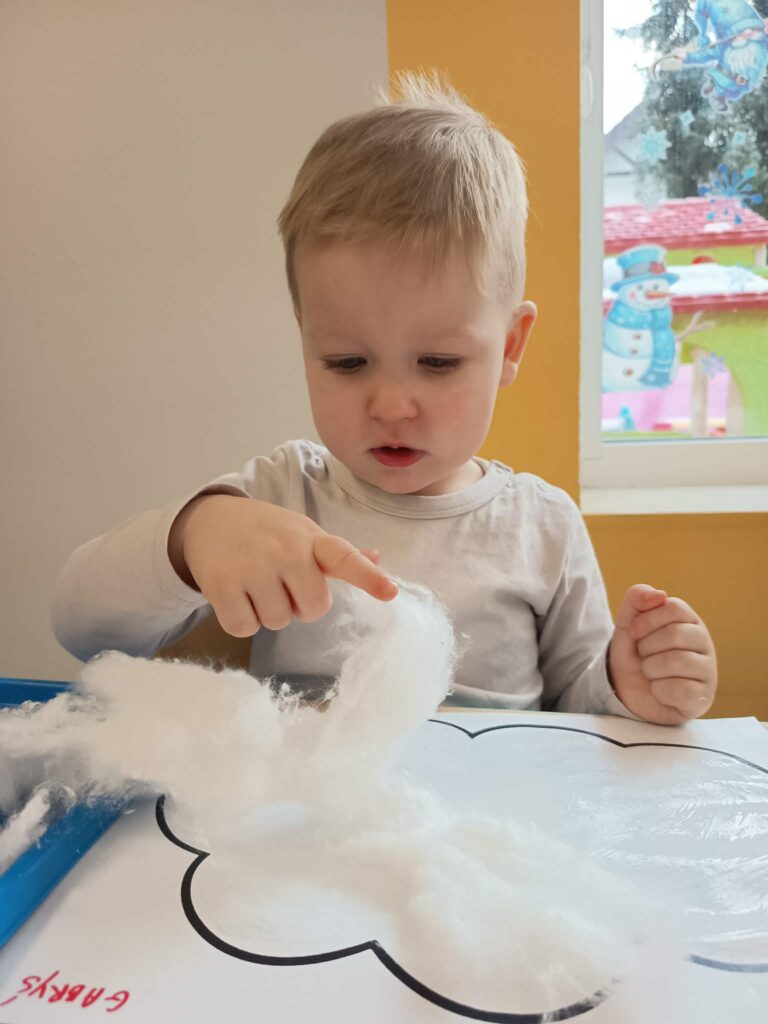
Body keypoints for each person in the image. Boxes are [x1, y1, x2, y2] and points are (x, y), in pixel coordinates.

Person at [51, 74, 717, 726]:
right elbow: (81, 626)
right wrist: (191, 536)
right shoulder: (281, 498)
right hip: (313, 796)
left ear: (511, 345)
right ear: (306, 340)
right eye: (347, 362)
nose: (392, 405)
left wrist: (628, 687)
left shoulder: (544, 528)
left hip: (496, 798)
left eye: (438, 362)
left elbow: (580, 718)